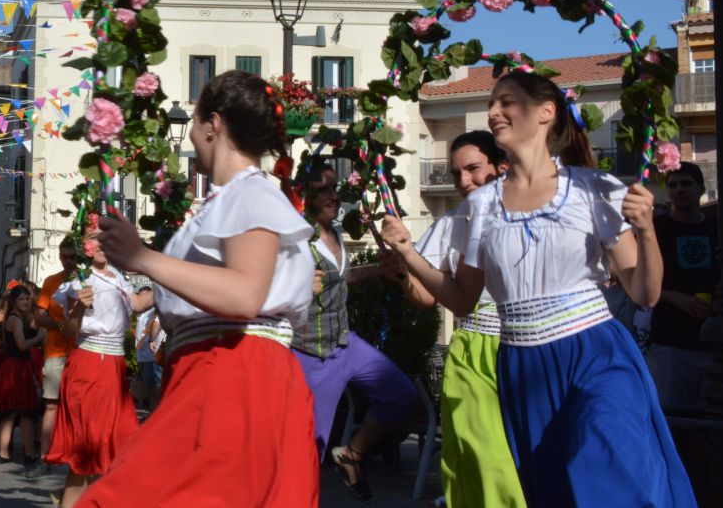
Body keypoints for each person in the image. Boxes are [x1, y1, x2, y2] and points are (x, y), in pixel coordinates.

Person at [382, 69, 695, 506]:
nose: (494, 112)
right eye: (493, 103)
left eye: (507, 102)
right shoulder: (481, 206)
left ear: (546, 112)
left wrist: (645, 230)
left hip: (595, 352)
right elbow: (461, 300)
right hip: (523, 365)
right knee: (555, 488)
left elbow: (645, 294)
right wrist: (408, 254)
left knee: (608, 461)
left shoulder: (593, 189)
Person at [88, 70, 319, 507]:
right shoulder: (230, 200)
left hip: (233, 374)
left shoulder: (250, 195)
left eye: (194, 122)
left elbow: (243, 294)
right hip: (213, 372)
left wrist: (142, 258)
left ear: (213, 124)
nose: (192, 136)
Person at [380, 131, 524, 507]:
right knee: (485, 465)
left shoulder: (533, 213)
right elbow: (427, 297)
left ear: (501, 166)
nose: (464, 182)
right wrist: (402, 267)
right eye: (456, 173)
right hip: (475, 356)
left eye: (474, 169)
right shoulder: (450, 224)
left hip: (532, 349)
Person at [293, 163, 416, 503]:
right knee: (309, 450)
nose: (333, 195)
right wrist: (295, 284)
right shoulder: (296, 238)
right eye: (323, 190)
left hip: (345, 342)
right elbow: (267, 286)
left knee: (400, 394)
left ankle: (351, 454)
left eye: (335, 188)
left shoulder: (334, 234)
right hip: (310, 351)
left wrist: (378, 270)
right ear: (305, 196)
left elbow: (340, 278)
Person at [48, 230, 148, 508]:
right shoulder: (80, 280)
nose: (103, 246)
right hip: (90, 362)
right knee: (86, 454)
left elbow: (138, 304)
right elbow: (68, 329)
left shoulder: (119, 278)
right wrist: (79, 306)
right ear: (87, 248)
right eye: (96, 241)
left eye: (107, 241)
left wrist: (167, 279)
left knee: (114, 449)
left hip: (114, 368)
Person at [649, 162, 719, 407]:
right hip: (670, 345)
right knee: (675, 424)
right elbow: (638, 284)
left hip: (713, 347)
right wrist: (675, 297)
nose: (679, 190)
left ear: (701, 188)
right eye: (673, 185)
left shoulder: (716, 228)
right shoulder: (656, 231)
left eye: (686, 184)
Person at [27, 240, 79, 479]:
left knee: (81, 407)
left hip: (83, 351)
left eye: (72, 257)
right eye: (64, 256)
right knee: (50, 405)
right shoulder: (51, 282)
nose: (68, 261)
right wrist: (60, 325)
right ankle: (44, 457)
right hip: (56, 353)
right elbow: (38, 317)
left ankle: (81, 457)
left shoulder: (90, 282)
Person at [0, 284, 45, 465]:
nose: (26, 302)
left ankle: (4, 452)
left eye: (27, 298)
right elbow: (22, 345)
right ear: (14, 301)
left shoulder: (18, 317)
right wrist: (38, 338)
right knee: (24, 413)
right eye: (22, 299)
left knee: (13, 412)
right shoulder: (15, 319)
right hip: (17, 367)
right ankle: (27, 452)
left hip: (17, 366)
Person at [132, 292, 162, 412]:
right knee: (148, 384)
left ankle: (156, 410)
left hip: (152, 355)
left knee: (156, 385)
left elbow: (156, 326)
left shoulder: (154, 312)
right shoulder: (142, 314)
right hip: (142, 356)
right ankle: (150, 408)